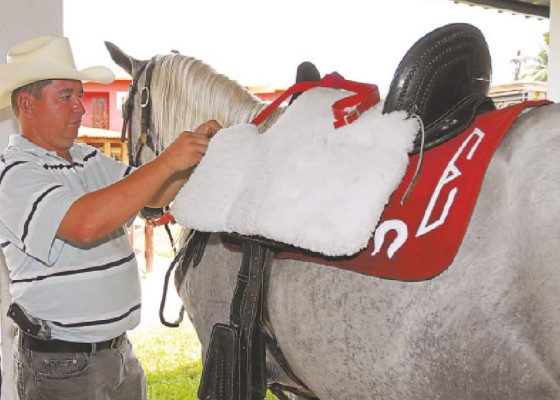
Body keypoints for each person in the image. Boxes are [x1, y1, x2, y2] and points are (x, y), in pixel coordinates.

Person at [0, 35, 220, 400]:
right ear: (27, 103)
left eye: (80, 96)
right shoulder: (15, 173)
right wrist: (168, 161)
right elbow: (84, 224)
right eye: (65, 97)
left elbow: (151, 193)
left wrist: (195, 155)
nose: (80, 108)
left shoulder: (86, 157)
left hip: (117, 354)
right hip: (62, 368)